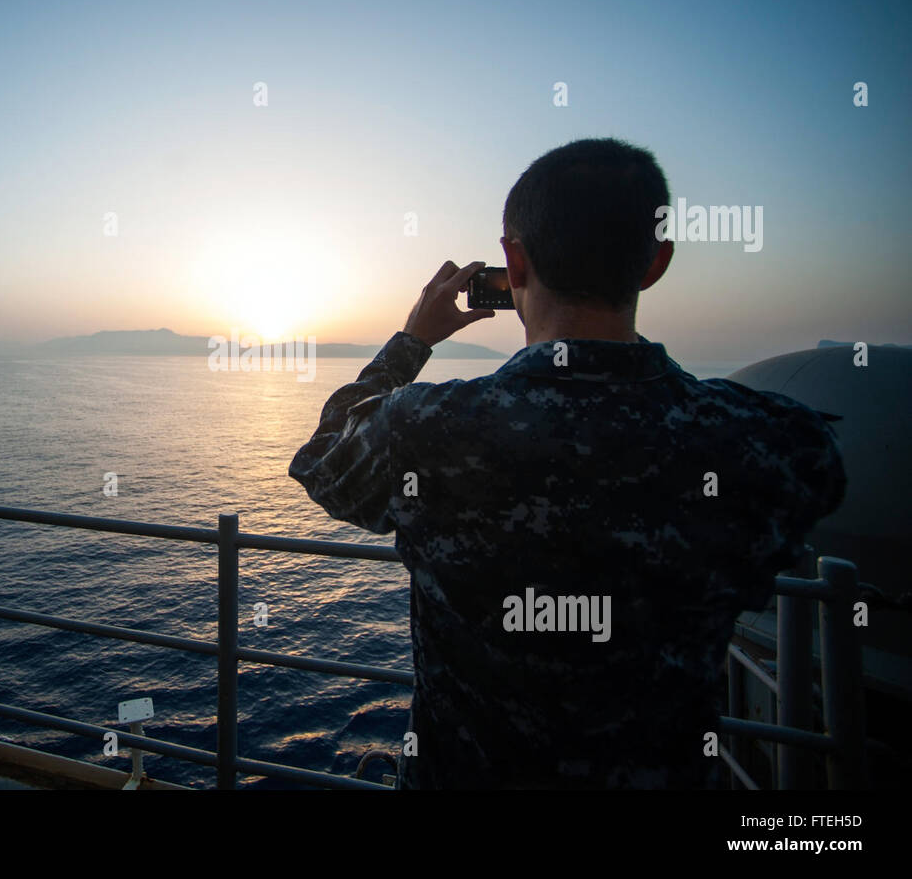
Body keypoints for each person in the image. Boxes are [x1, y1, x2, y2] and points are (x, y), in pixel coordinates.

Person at [288, 137, 846, 789]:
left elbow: (323, 464)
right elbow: (817, 475)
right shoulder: (764, 442)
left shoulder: (425, 427)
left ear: (514, 264)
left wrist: (412, 341)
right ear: (655, 263)